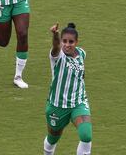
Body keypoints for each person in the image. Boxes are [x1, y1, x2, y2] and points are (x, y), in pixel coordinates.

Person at [43, 23, 93, 155]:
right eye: (64, 41)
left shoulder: (82, 53)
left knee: (86, 135)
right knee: (53, 138)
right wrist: (55, 35)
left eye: (71, 42)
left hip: (78, 102)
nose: (67, 44)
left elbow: (81, 73)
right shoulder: (58, 56)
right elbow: (55, 47)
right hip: (57, 105)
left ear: (76, 42)